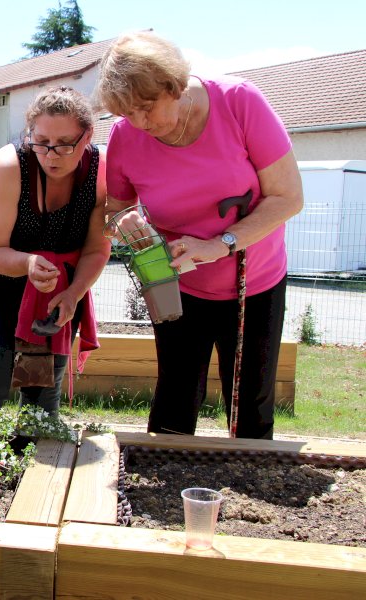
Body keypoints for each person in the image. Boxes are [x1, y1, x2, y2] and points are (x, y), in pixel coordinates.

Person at [96, 31, 303, 439]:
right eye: (127, 113)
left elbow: (288, 198)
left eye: (146, 108)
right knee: (174, 396)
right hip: (176, 286)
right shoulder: (125, 135)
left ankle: (252, 492)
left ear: (173, 85)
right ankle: (166, 494)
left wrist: (221, 244)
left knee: (249, 402)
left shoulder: (239, 103)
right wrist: (123, 225)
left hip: (254, 283)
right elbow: (114, 213)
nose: (139, 123)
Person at [0, 87, 109, 420]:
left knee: (42, 400)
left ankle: (38, 463)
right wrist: (27, 263)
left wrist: (74, 293)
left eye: (64, 144)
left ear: (87, 136)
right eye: (41, 142)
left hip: (58, 285)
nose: (52, 155)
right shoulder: (8, 165)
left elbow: (97, 248)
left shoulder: (100, 171)